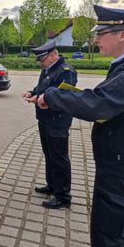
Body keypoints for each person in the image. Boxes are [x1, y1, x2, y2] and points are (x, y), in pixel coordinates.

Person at [35, 5, 124, 247]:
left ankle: (62, 194)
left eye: (102, 32)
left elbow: (99, 103)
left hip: (119, 169)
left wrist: (52, 96)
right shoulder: (121, 66)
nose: (96, 38)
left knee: (108, 237)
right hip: (116, 161)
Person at [22, 41, 77, 209]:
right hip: (45, 118)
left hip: (58, 120)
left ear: (53, 55)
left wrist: (40, 99)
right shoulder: (48, 68)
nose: (40, 62)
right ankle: (52, 185)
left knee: (59, 157)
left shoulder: (65, 71)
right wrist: (33, 92)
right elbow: (43, 86)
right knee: (49, 154)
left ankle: (63, 196)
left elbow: (64, 95)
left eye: (42, 59)